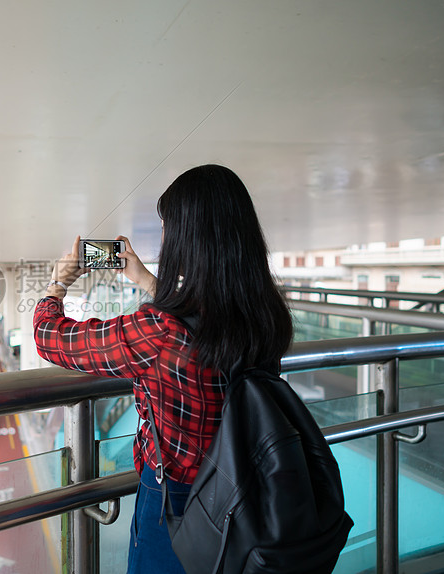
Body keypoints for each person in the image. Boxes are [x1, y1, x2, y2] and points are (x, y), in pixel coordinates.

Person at [32, 164, 293, 573]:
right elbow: (201, 324)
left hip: (175, 499)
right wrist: (147, 280)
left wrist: (57, 285)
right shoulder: (266, 312)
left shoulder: (157, 330)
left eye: (169, 229)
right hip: (250, 486)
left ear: (186, 240)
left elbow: (51, 338)